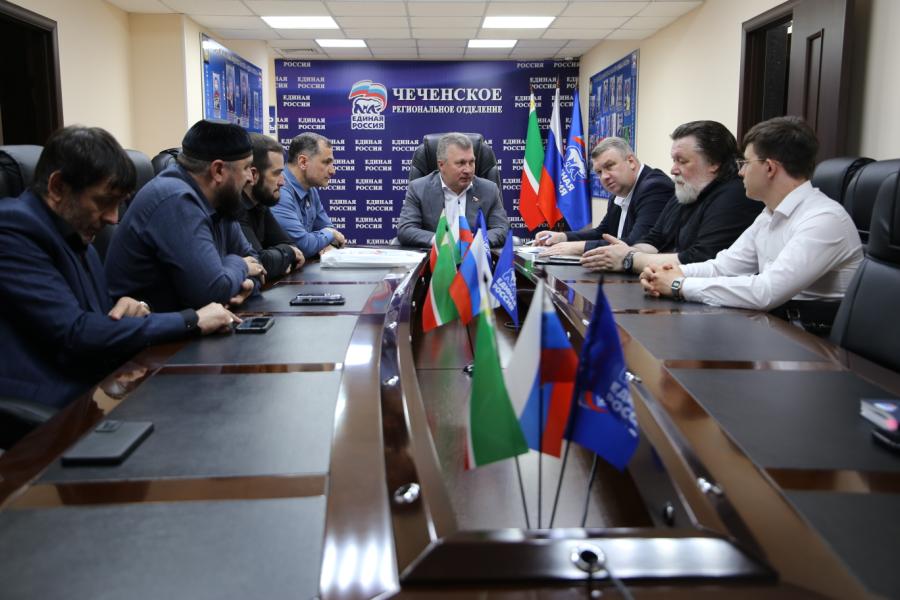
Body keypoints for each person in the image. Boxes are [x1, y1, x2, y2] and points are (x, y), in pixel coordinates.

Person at [0, 126, 239, 409]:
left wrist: (129, 308)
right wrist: (190, 321)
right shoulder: (13, 230)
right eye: (104, 202)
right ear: (57, 187)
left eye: (118, 204)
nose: (113, 219)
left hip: (99, 390)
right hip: (50, 411)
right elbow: (75, 334)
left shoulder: (75, 233)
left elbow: (93, 320)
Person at [640, 116, 863, 311]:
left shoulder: (823, 219)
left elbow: (767, 291)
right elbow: (724, 267)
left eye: (746, 163)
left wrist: (679, 285)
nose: (741, 172)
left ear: (770, 168)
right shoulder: (768, 215)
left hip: (809, 337)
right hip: (775, 326)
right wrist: (669, 272)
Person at [105, 120, 266, 312]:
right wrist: (240, 265)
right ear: (218, 170)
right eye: (246, 167)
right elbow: (211, 293)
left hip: (199, 322)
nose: (250, 178)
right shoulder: (175, 199)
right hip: (154, 327)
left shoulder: (222, 201)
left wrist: (247, 286)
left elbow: (256, 263)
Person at [578, 120, 760, 274]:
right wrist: (623, 252)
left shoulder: (736, 195)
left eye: (682, 161)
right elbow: (654, 239)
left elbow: (700, 259)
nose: (673, 169)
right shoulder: (686, 190)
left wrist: (629, 258)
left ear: (714, 162)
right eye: (674, 160)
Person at [536, 137, 672, 255]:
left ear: (631, 161)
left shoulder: (655, 187)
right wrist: (563, 237)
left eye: (610, 166)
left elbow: (636, 244)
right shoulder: (618, 194)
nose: (604, 177)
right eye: (599, 172)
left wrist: (578, 247)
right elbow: (602, 232)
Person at [397, 132, 509, 247]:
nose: (468, 170)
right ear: (441, 165)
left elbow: (501, 229)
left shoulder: (489, 190)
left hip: (475, 256)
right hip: (436, 257)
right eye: (461, 163)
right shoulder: (418, 189)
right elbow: (406, 229)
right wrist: (442, 241)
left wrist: (473, 241)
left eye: (471, 162)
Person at [238, 133, 304, 279]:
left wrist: (283, 256)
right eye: (276, 174)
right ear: (253, 174)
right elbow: (261, 263)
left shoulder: (260, 204)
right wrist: (287, 255)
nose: (282, 182)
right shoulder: (234, 208)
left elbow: (293, 247)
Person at [270, 132, 345, 258]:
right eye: (326, 162)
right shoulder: (279, 190)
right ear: (303, 162)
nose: (333, 171)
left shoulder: (311, 189)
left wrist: (327, 240)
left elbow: (330, 231)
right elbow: (303, 245)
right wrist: (328, 235)